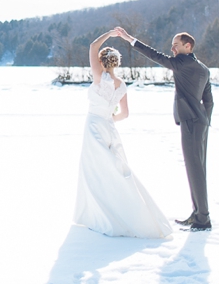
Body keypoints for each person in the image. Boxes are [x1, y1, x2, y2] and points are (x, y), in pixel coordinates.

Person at [73, 29, 172, 239]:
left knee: (94, 171)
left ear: (101, 62)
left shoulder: (99, 77)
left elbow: (92, 46)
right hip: (109, 128)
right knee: (114, 171)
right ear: (116, 63)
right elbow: (125, 114)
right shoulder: (122, 85)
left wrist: (109, 33)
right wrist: (110, 119)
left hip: (94, 127)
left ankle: (99, 214)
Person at [114, 27, 214, 231]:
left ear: (188, 46)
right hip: (199, 122)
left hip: (191, 122)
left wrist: (130, 39)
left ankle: (203, 219)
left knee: (195, 170)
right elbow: (209, 101)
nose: (172, 49)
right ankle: (198, 214)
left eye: (176, 45)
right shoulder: (203, 68)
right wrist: (204, 120)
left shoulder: (182, 63)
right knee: (197, 168)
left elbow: (155, 56)